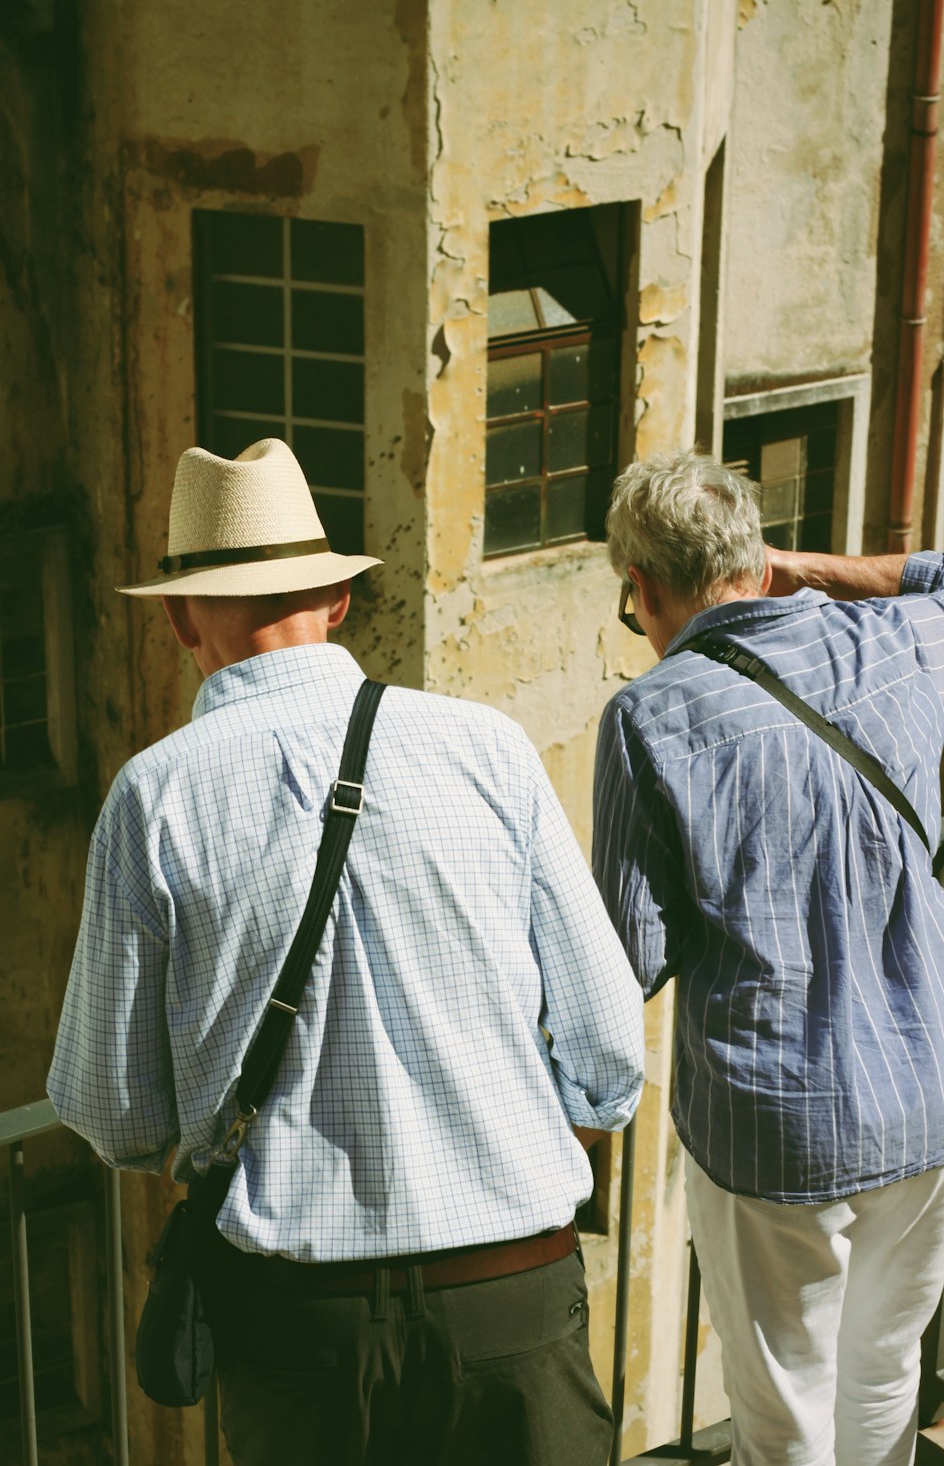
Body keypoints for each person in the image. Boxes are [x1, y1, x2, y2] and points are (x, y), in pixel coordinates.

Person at [48, 437, 645, 1466]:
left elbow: (114, 1111)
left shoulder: (152, 799)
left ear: (183, 620)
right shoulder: (485, 747)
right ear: (334, 601)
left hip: (298, 1325)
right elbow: (604, 1040)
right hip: (510, 1297)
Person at [592, 449, 944, 1466]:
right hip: (940, 1084)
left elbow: (630, 955)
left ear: (640, 587)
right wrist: (801, 567)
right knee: (882, 1371)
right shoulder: (891, 644)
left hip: (779, 1119)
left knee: (781, 1407)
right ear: (755, 556)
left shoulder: (649, 717)